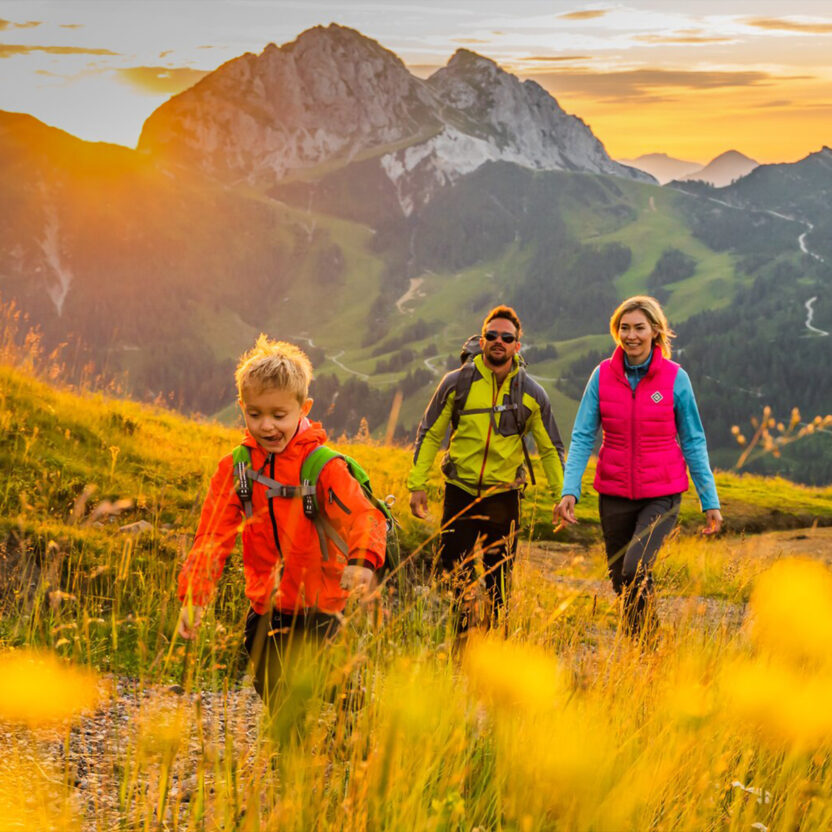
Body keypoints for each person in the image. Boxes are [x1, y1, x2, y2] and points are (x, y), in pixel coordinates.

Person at [176, 335, 387, 705]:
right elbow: (212, 536)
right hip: (266, 606)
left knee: (330, 684)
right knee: (268, 683)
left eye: (279, 415)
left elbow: (365, 516)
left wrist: (363, 560)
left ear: (304, 408)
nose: (266, 426)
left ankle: (356, 738)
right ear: (241, 406)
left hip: (321, 607)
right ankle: (291, 753)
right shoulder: (237, 468)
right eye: (254, 414)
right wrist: (195, 595)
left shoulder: (322, 467)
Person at [555, 295, 722, 637]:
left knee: (635, 568)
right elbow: (583, 434)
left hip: (662, 493)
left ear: (655, 332)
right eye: (624, 328)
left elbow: (693, 440)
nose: (631, 335)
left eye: (639, 328)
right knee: (621, 578)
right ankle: (644, 649)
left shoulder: (675, 378)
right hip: (614, 493)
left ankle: (649, 644)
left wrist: (710, 500)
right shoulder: (602, 376)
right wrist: (570, 489)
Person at [408, 305, 565, 632]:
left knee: (499, 580)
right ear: (481, 340)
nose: (499, 341)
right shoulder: (456, 383)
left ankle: (494, 643)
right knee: (451, 574)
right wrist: (417, 484)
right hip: (460, 492)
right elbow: (431, 432)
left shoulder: (532, 394)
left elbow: (550, 448)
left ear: (517, 346)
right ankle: (455, 638)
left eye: (507, 337)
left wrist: (562, 495)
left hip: (504, 497)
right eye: (492, 335)